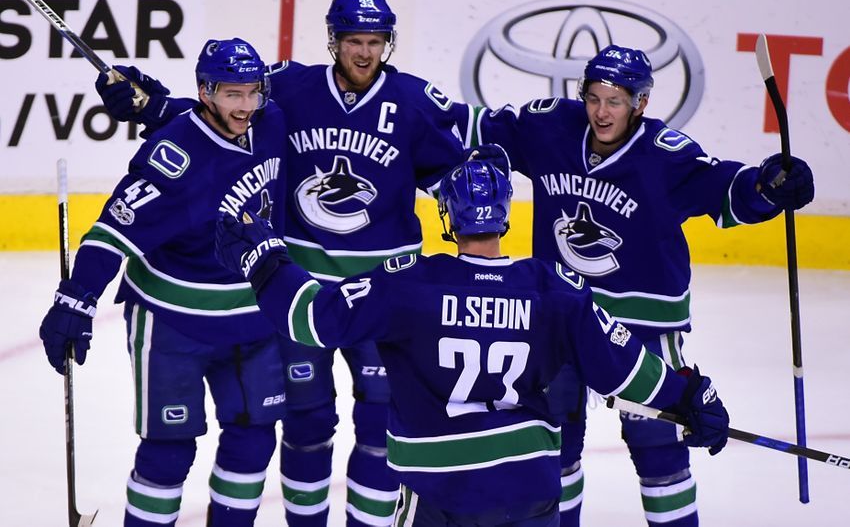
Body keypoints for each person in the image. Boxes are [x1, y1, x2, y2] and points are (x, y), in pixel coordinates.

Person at [94, 0, 467, 526]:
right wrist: (154, 107)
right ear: (334, 41)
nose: (364, 53)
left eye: (375, 41)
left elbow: (455, 176)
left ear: (388, 42)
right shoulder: (290, 85)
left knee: (383, 424)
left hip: (386, 294)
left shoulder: (411, 101)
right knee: (307, 423)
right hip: (302, 295)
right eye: (353, 41)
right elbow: (226, 107)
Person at [212, 155, 730, 527]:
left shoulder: (409, 284)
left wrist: (263, 261)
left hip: (441, 493)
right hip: (531, 490)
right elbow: (625, 371)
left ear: (447, 216)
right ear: (506, 212)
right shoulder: (555, 289)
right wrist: (690, 396)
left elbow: (312, 321)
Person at [450, 44, 815, 526]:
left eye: (615, 101)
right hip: (561, 316)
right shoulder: (550, 128)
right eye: (594, 98)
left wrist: (768, 187)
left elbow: (725, 190)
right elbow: (474, 127)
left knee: (657, 448)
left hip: (642, 324)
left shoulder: (665, 157)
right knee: (554, 444)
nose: (601, 112)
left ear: (640, 104)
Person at [38, 38, 288, 527]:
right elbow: (114, 229)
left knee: (253, 437)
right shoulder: (173, 156)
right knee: (167, 452)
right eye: (231, 94)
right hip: (174, 324)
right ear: (206, 92)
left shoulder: (273, 121)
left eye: (251, 93)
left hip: (253, 318)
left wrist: (156, 105)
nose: (244, 106)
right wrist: (76, 298)